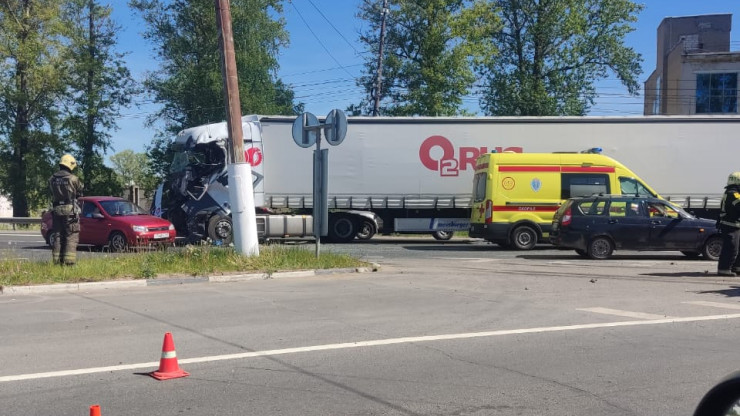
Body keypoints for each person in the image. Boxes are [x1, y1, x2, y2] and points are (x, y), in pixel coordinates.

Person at [49, 154, 84, 265]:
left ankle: (56, 262)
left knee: (58, 236)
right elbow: (80, 191)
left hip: (56, 210)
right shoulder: (73, 179)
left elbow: (50, 192)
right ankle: (69, 263)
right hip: (70, 211)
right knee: (71, 235)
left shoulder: (51, 179)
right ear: (70, 165)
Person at [717, 172, 740, 276]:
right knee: (731, 248)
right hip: (731, 225)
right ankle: (724, 269)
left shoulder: (730, 192)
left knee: (736, 247)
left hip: (732, 225)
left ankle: (736, 267)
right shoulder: (733, 194)